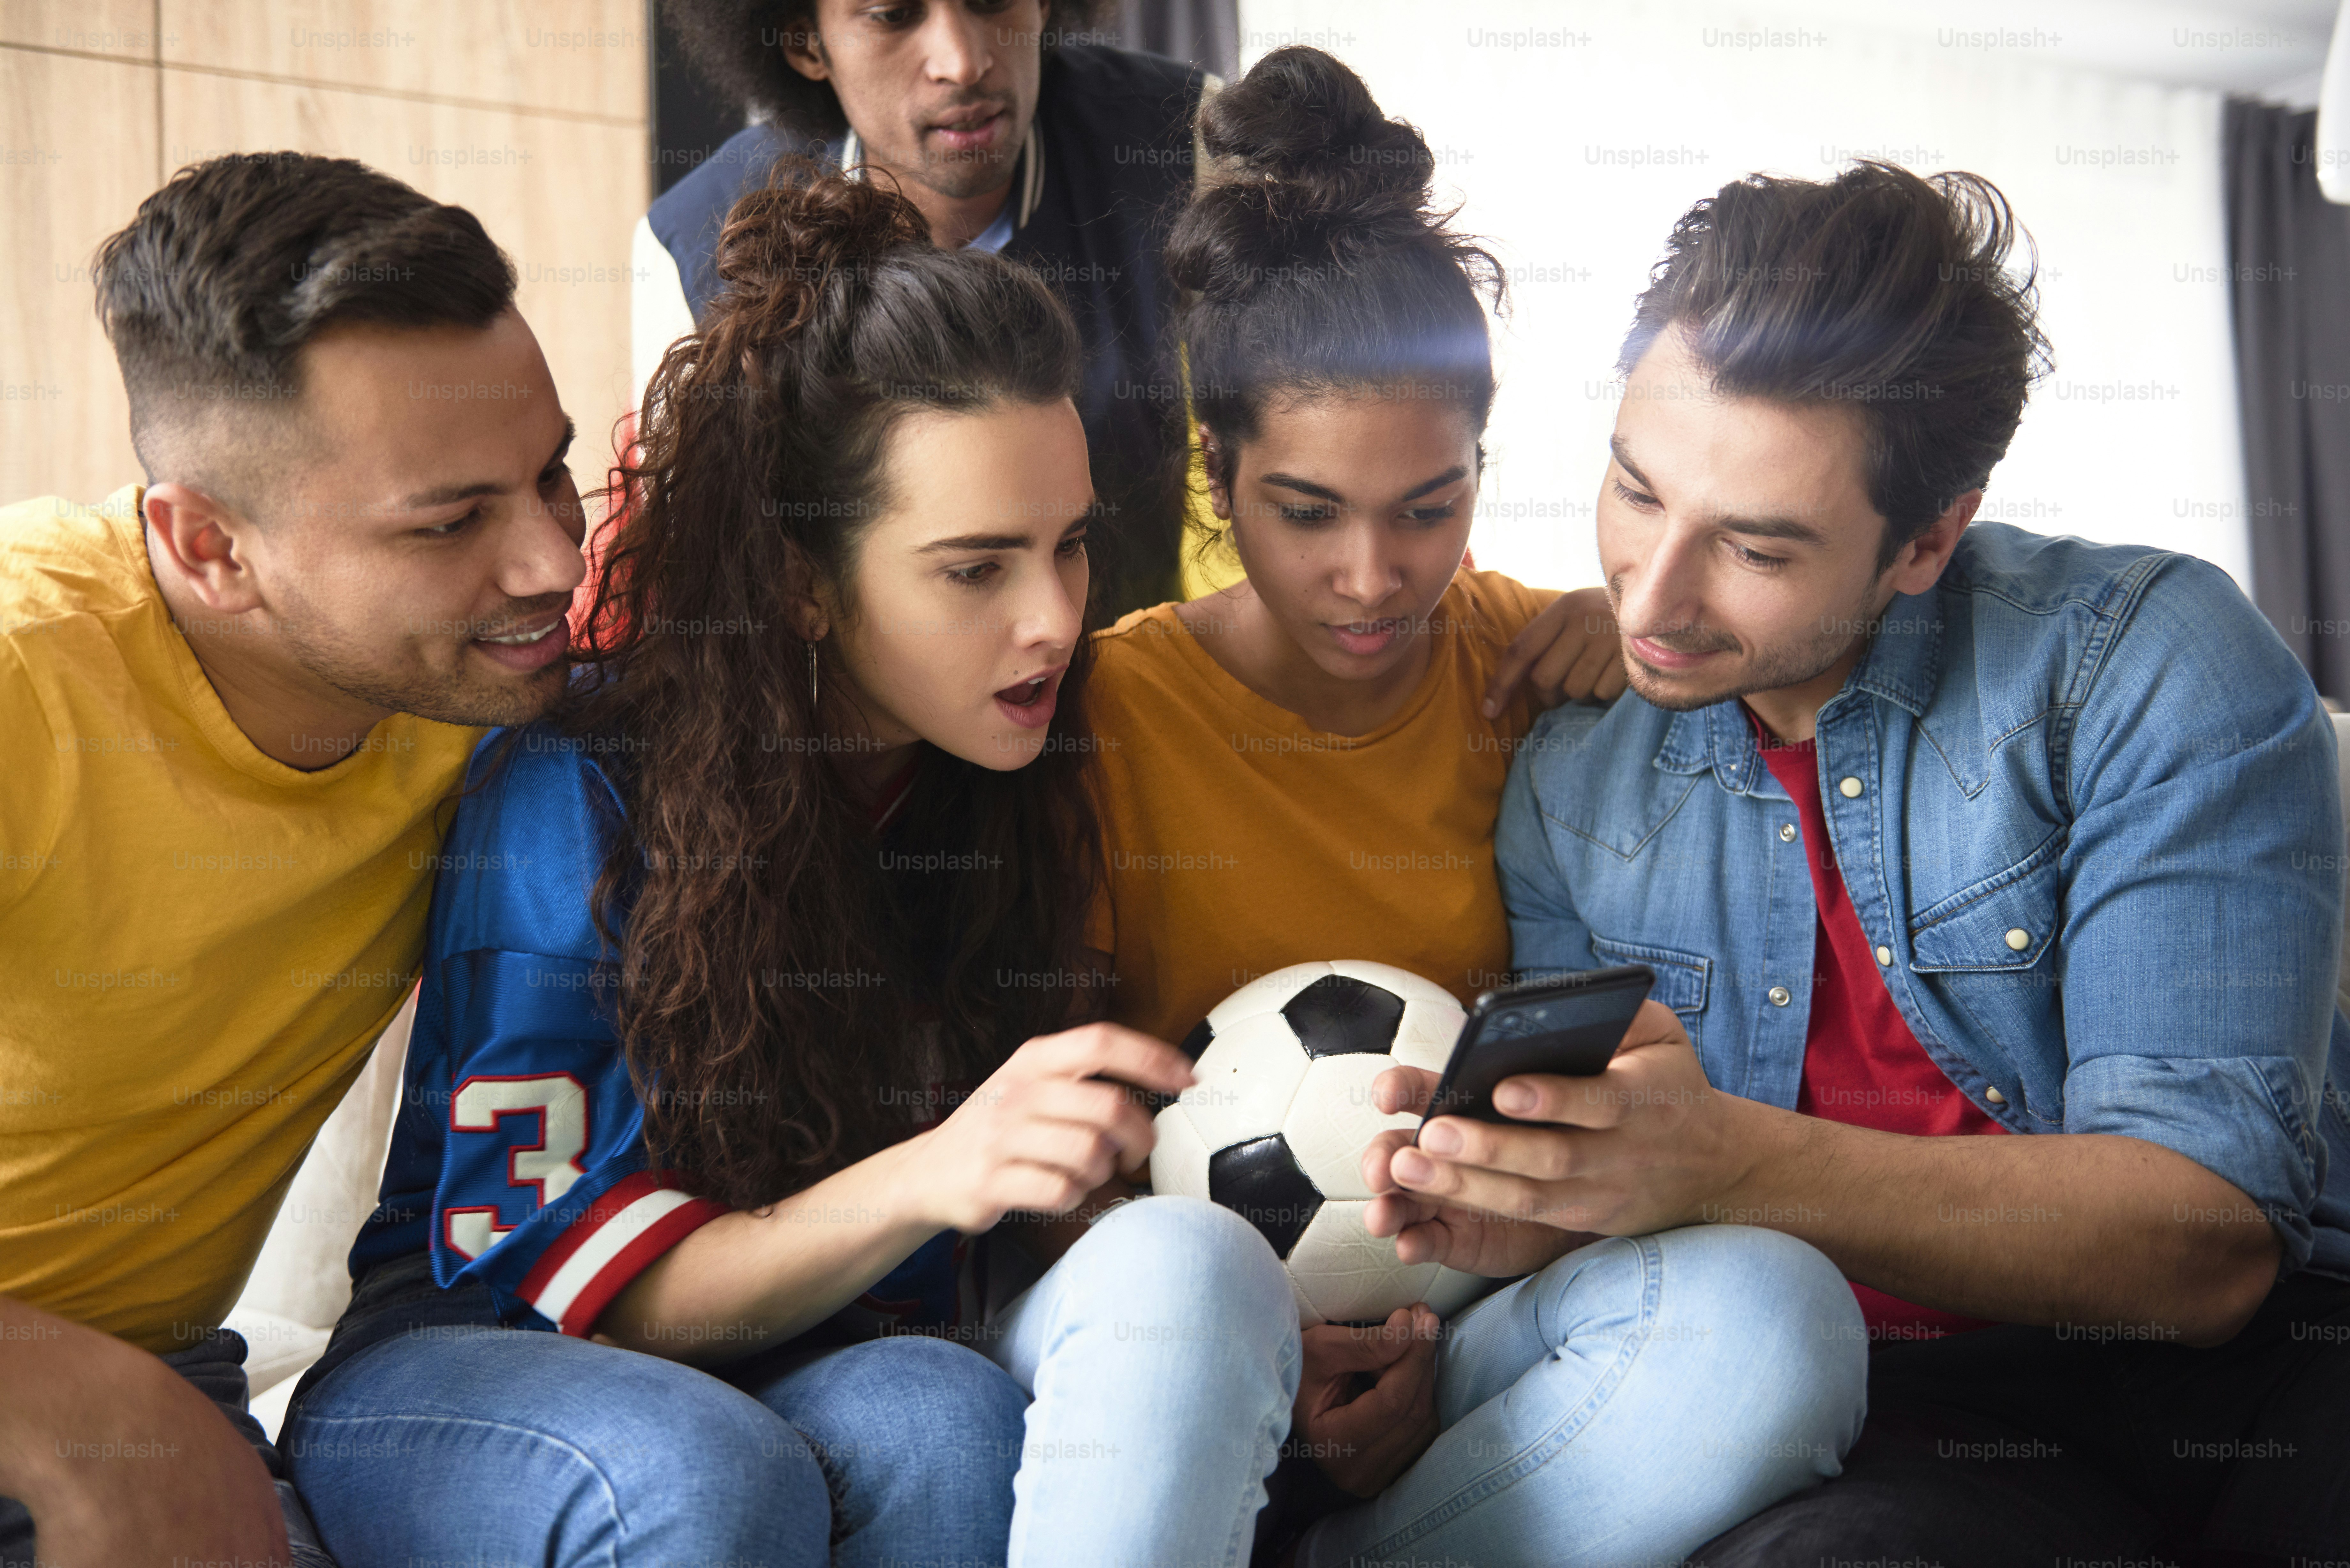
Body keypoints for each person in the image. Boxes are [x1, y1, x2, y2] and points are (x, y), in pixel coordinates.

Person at [283, 163, 1300, 1568]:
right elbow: (574, 1277)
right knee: (703, 1473)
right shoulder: (578, 784)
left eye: (1068, 549)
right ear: (799, 584)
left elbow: (960, 1242)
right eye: (973, 569)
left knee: (948, 1416)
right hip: (475, 1345)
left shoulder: (1008, 778)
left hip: (806, 1336)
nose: (1053, 620)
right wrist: (934, 1172)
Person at [1388, 160, 2350, 1561]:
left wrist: (1728, 1165)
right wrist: (1496, 1222)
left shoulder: (2146, 665)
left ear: (1926, 540)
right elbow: (1631, 1210)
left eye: (1755, 548)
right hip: (1878, 1415)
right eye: (1634, 490)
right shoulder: (1575, 783)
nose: (1650, 597)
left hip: (2265, 1373)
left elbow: (2204, 1247)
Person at [1080, 48, 1870, 1568]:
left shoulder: (1539, 664)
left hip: (1473, 1321)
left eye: (1425, 505)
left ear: (1479, 472)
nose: (1371, 578)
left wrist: (1633, 624)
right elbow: (1035, 1138)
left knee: (1777, 1313)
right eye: (1305, 510)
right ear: (1213, 472)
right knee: (1177, 1289)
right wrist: (1263, 1351)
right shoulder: (1105, 716)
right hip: (1168, 1321)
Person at [0, 151, 589, 1568]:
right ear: (210, 547)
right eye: (451, 522)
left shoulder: (491, 683)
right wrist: (60, 1397)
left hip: (161, 1374)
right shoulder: (27, 682)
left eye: (551, 474)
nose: (550, 565)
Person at [644, 0, 1218, 614]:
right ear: (806, 44)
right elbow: (711, 591)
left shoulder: (1186, 142)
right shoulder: (692, 244)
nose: (962, 63)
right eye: (893, 15)